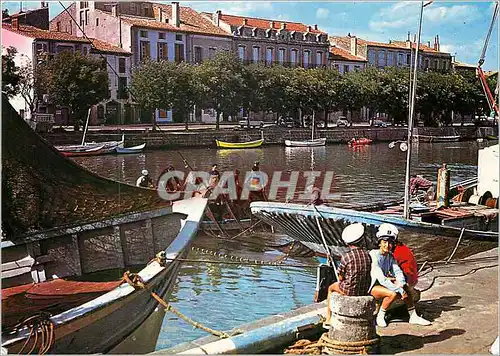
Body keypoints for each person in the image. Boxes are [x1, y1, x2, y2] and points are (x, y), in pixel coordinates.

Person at [369, 228, 431, 327]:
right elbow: (381, 279)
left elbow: (398, 272)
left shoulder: (390, 256)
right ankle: (380, 316)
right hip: (372, 286)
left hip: (382, 284)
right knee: (393, 294)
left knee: (405, 287)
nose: (387, 245)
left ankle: (413, 316)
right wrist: (401, 291)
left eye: (390, 243)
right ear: (379, 243)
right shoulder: (373, 255)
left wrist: (402, 285)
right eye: (384, 242)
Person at [325, 223, 372, 325]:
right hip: (364, 289)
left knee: (330, 288)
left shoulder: (347, 257)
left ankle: (328, 318)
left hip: (349, 290)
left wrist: (342, 280)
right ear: (361, 240)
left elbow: (340, 277)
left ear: (347, 243)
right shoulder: (367, 255)